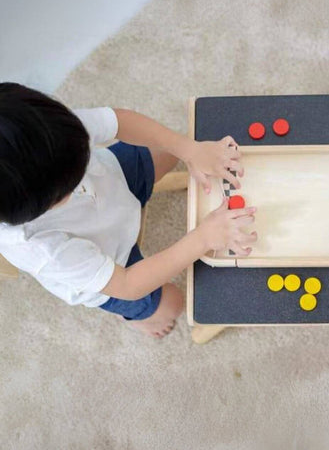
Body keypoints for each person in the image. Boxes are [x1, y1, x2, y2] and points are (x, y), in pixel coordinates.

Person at [0, 83, 257, 337]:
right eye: (69, 187)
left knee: (168, 150)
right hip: (114, 264)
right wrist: (202, 239)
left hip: (113, 178)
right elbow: (127, 284)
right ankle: (138, 320)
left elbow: (119, 121)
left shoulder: (47, 129)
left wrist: (190, 150)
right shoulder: (43, 249)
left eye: (81, 159)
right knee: (173, 304)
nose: (78, 180)